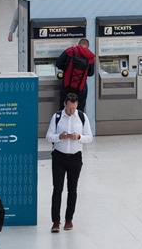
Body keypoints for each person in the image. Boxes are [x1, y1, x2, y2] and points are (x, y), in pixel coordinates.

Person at [44, 93, 92, 233]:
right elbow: (48, 137)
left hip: (75, 158)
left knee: (72, 189)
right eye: (70, 108)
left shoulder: (82, 117)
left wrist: (79, 137)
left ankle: (69, 219)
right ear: (65, 104)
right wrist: (60, 137)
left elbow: (89, 137)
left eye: (74, 108)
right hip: (59, 157)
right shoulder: (57, 117)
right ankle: (56, 221)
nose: (72, 111)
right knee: (57, 189)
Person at [54, 38, 95, 108]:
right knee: (79, 110)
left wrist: (66, 69)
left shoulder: (70, 50)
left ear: (79, 44)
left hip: (67, 85)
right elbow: (91, 73)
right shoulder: (90, 56)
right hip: (81, 88)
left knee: (63, 108)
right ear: (87, 46)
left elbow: (58, 63)